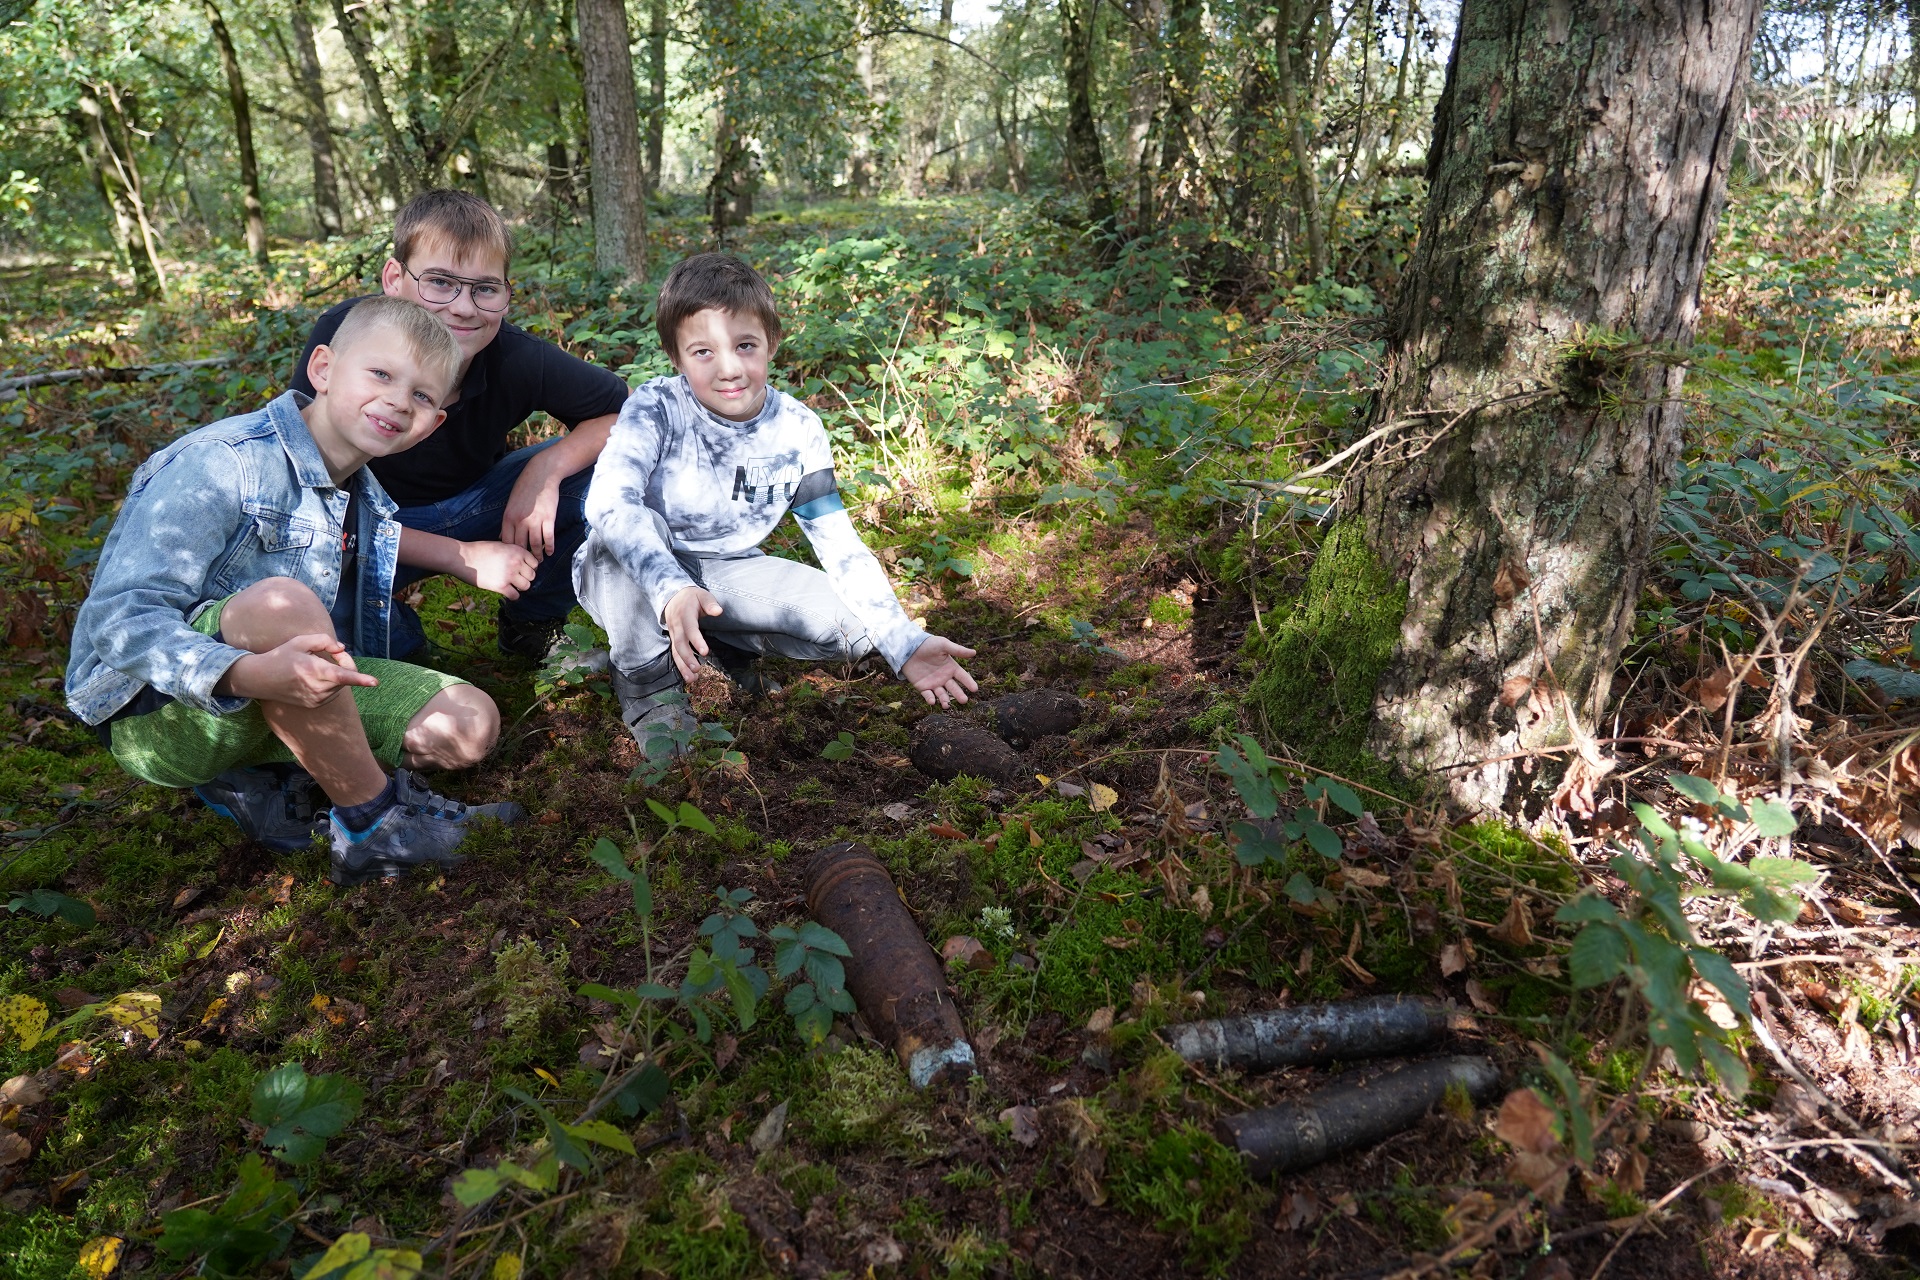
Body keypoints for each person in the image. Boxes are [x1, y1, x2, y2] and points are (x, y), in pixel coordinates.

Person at [66, 297, 526, 885]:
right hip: (160, 711)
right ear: (323, 370)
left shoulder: (365, 497)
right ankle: (372, 827)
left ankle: (270, 775)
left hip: (286, 686)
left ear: (433, 424)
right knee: (280, 602)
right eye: (381, 374)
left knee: (468, 724)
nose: (396, 401)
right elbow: (118, 619)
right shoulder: (220, 463)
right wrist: (244, 674)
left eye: (422, 396)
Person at [576, 253, 980, 758]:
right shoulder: (656, 407)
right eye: (703, 352)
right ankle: (646, 681)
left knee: (857, 628)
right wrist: (670, 586)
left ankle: (718, 650)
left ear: (771, 343)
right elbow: (609, 504)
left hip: (728, 576)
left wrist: (903, 641)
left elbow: (838, 541)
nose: (729, 368)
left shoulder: (797, 429)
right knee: (618, 538)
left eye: (745, 346)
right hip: (633, 575)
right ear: (676, 358)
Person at [290, 190, 630, 661]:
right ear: (394, 278)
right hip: (356, 531)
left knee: (604, 470)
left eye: (485, 288)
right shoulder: (346, 337)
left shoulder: (517, 357)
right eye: (439, 282)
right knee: (312, 615)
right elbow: (302, 497)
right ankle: (410, 656)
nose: (463, 307)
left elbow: (626, 414)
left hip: (475, 506)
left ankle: (531, 623)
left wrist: (546, 470)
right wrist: (461, 559)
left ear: (506, 295)